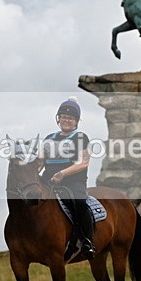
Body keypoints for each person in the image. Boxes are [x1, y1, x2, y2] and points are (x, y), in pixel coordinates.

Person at [41, 97, 95, 260]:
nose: (66, 120)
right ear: (58, 118)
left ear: (76, 121)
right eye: (63, 116)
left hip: (73, 181)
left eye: (70, 118)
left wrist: (62, 174)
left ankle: (87, 241)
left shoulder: (80, 137)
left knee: (79, 202)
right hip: (48, 180)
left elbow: (83, 163)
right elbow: (40, 160)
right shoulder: (49, 138)